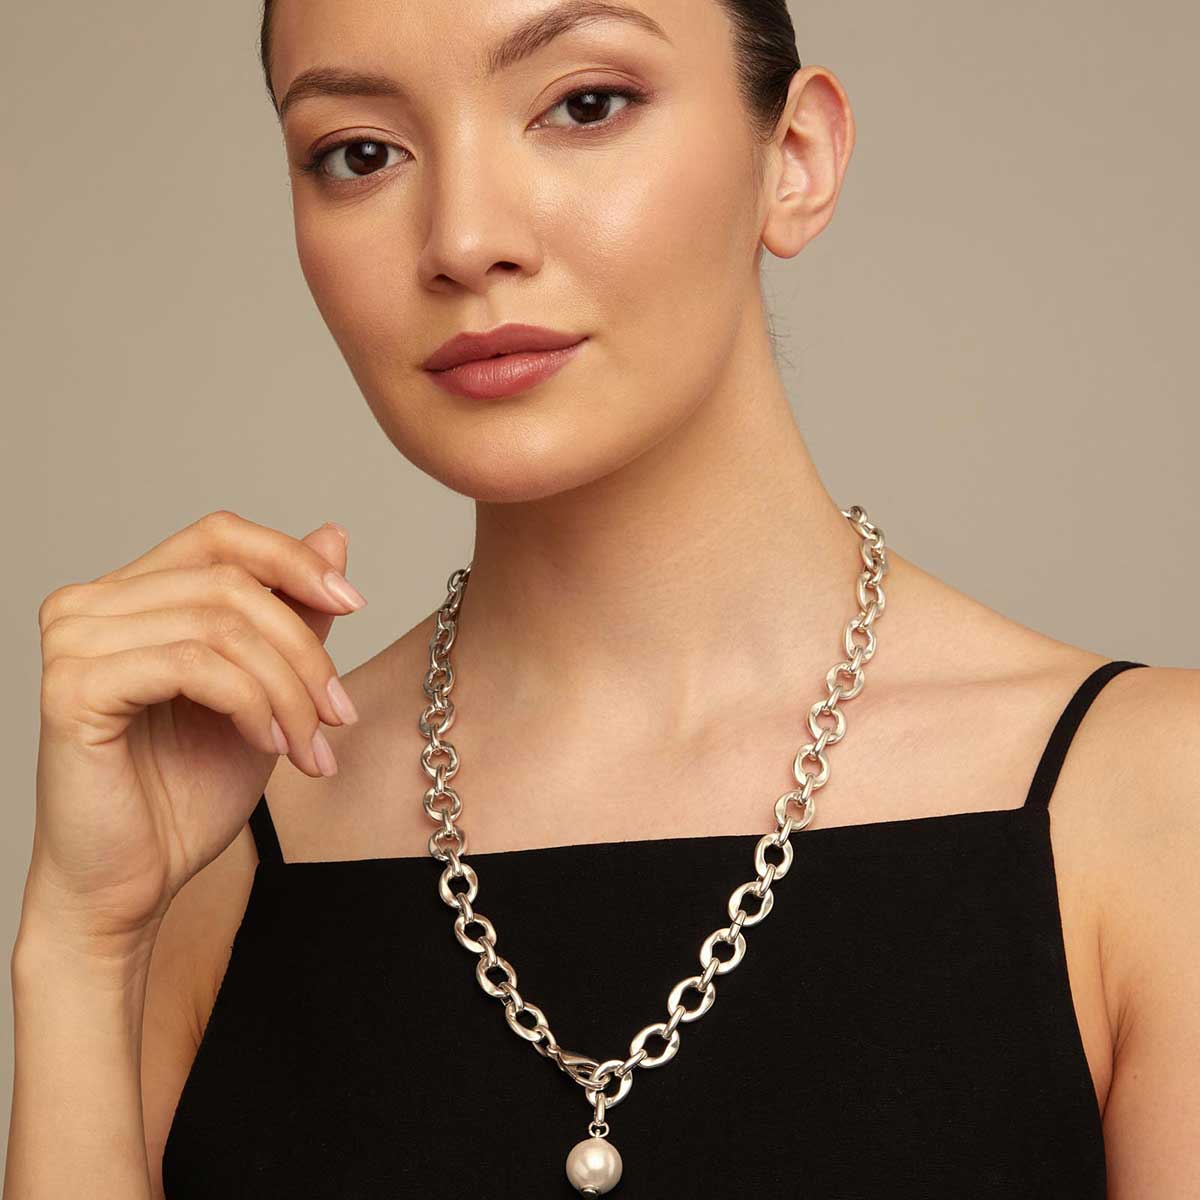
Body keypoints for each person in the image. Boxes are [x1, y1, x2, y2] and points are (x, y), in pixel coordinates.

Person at [7, 0, 1198, 1196]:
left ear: (794, 158)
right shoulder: (215, 847)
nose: (465, 240)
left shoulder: (1151, 807)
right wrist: (80, 948)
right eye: (361, 153)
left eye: (585, 105)